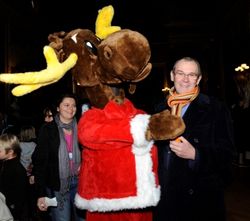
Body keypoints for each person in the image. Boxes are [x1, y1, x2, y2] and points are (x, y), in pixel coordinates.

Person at [153, 57, 235, 221]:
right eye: (180, 73)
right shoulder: (160, 108)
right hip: (166, 197)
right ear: (172, 75)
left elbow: (228, 156)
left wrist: (196, 155)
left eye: (191, 75)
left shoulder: (215, 108)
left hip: (200, 201)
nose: (185, 79)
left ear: (198, 79)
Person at [32, 93, 85, 221]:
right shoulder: (48, 130)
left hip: (81, 183)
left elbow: (90, 154)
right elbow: (40, 162)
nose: (71, 108)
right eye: (66, 105)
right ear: (57, 108)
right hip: (58, 185)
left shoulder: (83, 128)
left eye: (73, 105)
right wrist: (40, 194)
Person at [0, 133, 29, 221]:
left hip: (12, 210)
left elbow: (19, 196)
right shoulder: (5, 163)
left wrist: (12, 208)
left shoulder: (17, 169)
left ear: (10, 152)